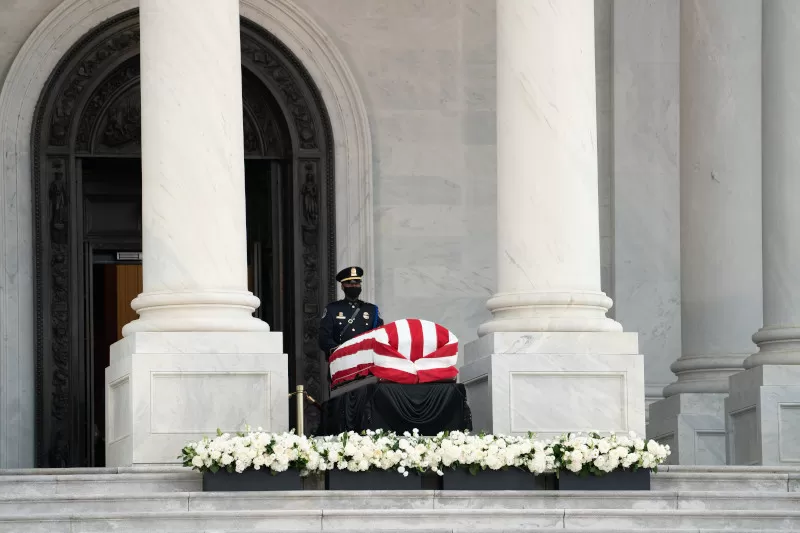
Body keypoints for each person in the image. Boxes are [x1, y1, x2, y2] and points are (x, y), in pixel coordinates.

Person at [319, 266, 383, 360]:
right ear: (342, 286)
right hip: (342, 362)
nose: (354, 286)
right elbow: (324, 338)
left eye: (357, 283)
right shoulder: (332, 309)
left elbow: (380, 335)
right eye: (349, 283)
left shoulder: (372, 309)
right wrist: (341, 351)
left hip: (365, 362)